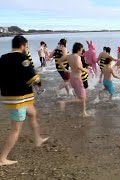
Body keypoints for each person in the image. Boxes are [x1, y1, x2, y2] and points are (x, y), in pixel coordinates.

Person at [0, 35, 49, 166]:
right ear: (22, 46)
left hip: (11, 97)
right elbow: (32, 76)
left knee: (33, 113)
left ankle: (38, 139)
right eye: (26, 46)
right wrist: (39, 84)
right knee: (16, 129)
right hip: (18, 99)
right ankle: (2, 158)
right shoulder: (23, 58)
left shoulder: (3, 58)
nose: (26, 49)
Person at [59, 43, 89, 117]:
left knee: (83, 97)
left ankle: (84, 112)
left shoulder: (69, 56)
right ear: (78, 49)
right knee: (82, 99)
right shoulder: (77, 57)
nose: (82, 52)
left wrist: (65, 69)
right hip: (77, 79)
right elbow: (78, 66)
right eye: (81, 50)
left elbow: (59, 61)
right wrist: (86, 70)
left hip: (72, 78)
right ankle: (65, 102)